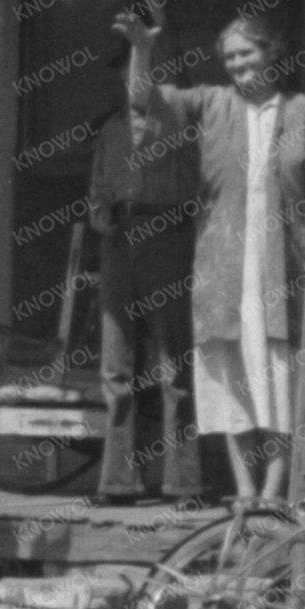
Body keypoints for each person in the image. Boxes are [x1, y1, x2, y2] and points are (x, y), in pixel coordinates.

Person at [113, 5, 305, 507]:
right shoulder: (210, 103)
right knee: (230, 376)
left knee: (278, 378)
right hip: (224, 265)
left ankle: (278, 490)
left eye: (247, 53)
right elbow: (143, 99)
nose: (237, 64)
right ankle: (246, 489)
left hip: (284, 268)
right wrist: (142, 50)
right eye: (229, 57)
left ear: (272, 52)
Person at [84, 95, 197, 502]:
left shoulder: (181, 125)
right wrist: (103, 217)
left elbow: (200, 184)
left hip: (167, 235)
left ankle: (182, 481)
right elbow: (97, 189)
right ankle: (118, 480)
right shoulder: (111, 129)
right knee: (116, 365)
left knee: (175, 365)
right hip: (118, 239)